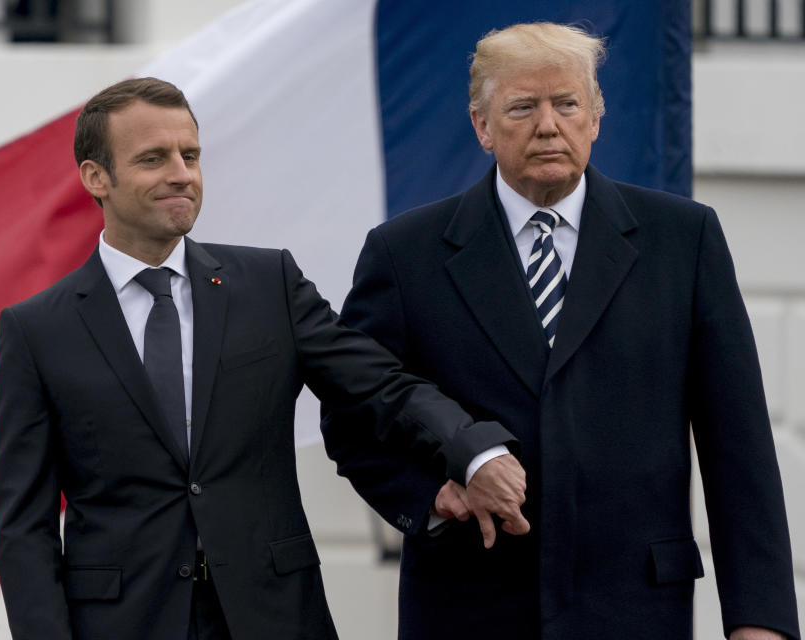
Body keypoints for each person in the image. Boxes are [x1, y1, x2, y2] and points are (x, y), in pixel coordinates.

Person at [0, 77, 522, 640]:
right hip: (120, 623)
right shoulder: (36, 330)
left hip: (275, 615)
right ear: (96, 177)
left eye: (189, 155)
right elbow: (24, 525)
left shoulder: (270, 285)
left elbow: (379, 386)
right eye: (153, 159)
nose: (181, 174)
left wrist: (472, 450)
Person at [321, 22, 800, 640]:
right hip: (469, 609)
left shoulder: (683, 239)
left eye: (567, 104)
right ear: (482, 126)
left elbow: (740, 447)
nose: (548, 125)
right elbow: (354, 415)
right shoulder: (404, 253)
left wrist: (760, 621)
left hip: (635, 611)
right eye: (523, 107)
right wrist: (433, 496)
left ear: (595, 118)